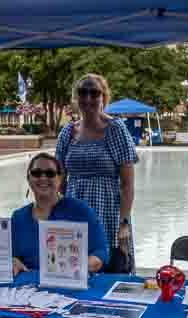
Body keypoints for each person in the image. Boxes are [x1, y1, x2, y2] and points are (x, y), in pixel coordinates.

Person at [56, 73, 138, 273]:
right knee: (73, 272)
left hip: (108, 214)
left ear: (104, 97)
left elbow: (127, 184)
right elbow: (58, 179)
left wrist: (124, 223)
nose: (88, 98)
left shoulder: (115, 129)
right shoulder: (68, 132)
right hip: (74, 215)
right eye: (83, 92)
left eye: (94, 93)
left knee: (110, 272)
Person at [11, 153, 108, 276]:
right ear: (28, 178)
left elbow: (101, 252)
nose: (43, 178)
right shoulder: (18, 217)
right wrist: (13, 261)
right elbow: (12, 254)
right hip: (29, 288)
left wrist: (82, 266)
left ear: (60, 179)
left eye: (50, 173)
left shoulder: (80, 211)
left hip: (72, 283)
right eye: (36, 173)